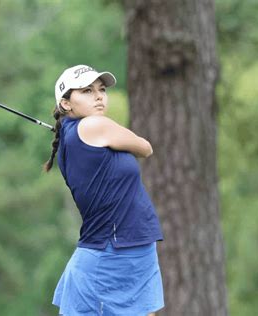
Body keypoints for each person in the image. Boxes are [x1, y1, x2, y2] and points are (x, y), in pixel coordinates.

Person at [44, 64, 164, 316]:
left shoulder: (71, 135)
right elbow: (145, 147)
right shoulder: (94, 126)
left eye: (101, 89)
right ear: (66, 104)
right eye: (86, 91)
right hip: (111, 253)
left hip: (132, 247)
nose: (98, 96)